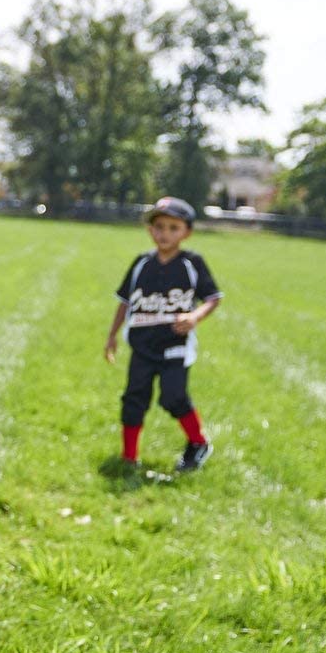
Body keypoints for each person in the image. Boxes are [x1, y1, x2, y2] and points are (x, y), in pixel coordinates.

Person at [105, 195, 222, 472]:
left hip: (175, 345)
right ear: (150, 230)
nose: (164, 234)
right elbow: (125, 301)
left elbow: (212, 298)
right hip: (142, 345)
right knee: (134, 399)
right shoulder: (141, 263)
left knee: (173, 397)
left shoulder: (192, 263)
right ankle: (129, 458)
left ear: (187, 232)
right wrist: (112, 335)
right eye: (159, 227)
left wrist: (194, 316)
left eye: (173, 228)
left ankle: (198, 443)